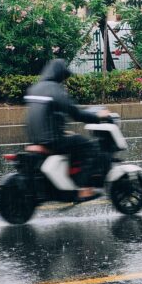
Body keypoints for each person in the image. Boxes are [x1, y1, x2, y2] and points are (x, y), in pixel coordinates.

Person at [25, 59, 108, 201]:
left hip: (35, 138)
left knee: (73, 143)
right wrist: (97, 117)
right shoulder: (55, 89)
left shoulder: (35, 88)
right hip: (52, 140)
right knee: (89, 147)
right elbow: (75, 113)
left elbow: (44, 114)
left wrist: (60, 131)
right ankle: (84, 189)